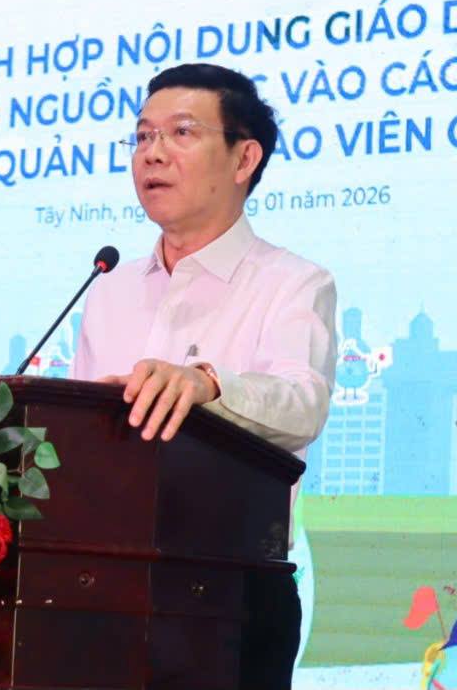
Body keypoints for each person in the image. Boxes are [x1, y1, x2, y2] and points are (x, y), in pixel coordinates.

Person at [70, 62, 336, 688]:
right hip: (96, 590)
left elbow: (303, 403)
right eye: (142, 135)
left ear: (244, 158)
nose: (152, 153)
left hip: (230, 596)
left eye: (181, 132)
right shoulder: (108, 288)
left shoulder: (293, 282)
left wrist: (209, 385)